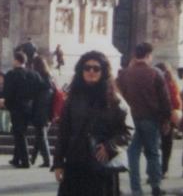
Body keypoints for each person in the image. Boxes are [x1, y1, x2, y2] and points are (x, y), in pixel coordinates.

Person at [54, 50, 131, 196]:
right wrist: (58, 163)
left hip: (102, 165)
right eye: (87, 68)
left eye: (96, 68)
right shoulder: (72, 99)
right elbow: (63, 132)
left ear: (103, 72)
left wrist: (111, 146)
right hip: (75, 163)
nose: (91, 71)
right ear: (81, 71)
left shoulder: (114, 100)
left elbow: (128, 130)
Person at [117, 42, 171, 196]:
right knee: (153, 152)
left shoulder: (124, 74)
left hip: (130, 119)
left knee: (132, 154)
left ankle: (136, 189)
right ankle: (156, 186)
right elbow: (165, 99)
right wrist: (166, 119)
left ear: (135, 55)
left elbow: (118, 97)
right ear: (148, 55)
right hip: (151, 118)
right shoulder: (155, 73)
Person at [3, 50, 46, 169]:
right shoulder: (33, 74)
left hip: (17, 107)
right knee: (21, 131)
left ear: (16, 61)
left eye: (13, 59)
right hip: (30, 107)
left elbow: (7, 93)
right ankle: (16, 159)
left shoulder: (11, 74)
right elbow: (42, 88)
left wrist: (8, 105)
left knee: (19, 133)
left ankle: (25, 161)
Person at [155, 62, 182, 179]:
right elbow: (177, 101)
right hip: (169, 117)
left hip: (155, 116)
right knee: (167, 144)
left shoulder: (154, 82)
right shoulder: (172, 83)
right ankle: (164, 169)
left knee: (153, 145)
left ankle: (153, 170)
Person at [30, 55, 54, 168]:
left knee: (41, 136)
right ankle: (32, 158)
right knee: (39, 136)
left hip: (40, 111)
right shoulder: (48, 77)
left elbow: (36, 96)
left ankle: (47, 160)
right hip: (47, 111)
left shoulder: (38, 79)